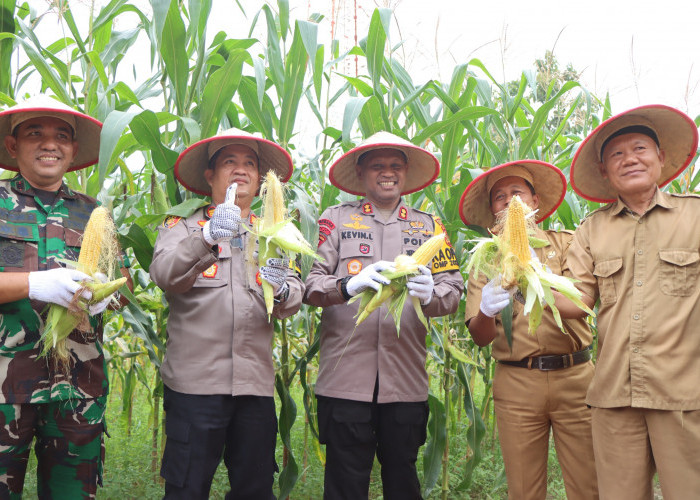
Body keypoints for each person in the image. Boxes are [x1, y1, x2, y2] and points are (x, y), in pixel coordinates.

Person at [304, 131, 463, 500]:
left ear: (405, 173)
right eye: (377, 166)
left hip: (404, 382)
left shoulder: (429, 227)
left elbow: (453, 292)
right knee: (345, 483)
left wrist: (431, 294)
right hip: (345, 380)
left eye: (395, 166)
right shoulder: (335, 220)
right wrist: (347, 285)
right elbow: (311, 285)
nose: (387, 173)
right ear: (361, 174)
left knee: (402, 480)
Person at [150, 128, 304, 499]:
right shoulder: (181, 226)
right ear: (210, 175)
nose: (241, 170)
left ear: (259, 176)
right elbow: (165, 274)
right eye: (229, 162)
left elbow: (295, 292)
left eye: (249, 163)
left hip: (254, 388)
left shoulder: (276, 234)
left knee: (254, 489)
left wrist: (283, 289)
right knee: (187, 488)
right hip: (194, 387)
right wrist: (206, 237)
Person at [564, 105, 700, 499]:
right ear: (605, 171)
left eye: (640, 148)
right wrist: (521, 287)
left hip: (684, 395)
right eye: (617, 155)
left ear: (660, 157)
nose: (630, 160)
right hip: (614, 397)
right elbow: (578, 302)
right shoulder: (592, 229)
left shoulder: (695, 215)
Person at [0, 95, 127, 498]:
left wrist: (108, 296)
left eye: (61, 136)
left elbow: (120, 280)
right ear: (12, 146)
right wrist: (36, 284)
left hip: (78, 389)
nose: (49, 143)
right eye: (35, 133)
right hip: (5, 390)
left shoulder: (93, 214)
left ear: (72, 151)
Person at [460, 160, 598, 500]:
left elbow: (583, 304)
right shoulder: (484, 260)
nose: (509, 202)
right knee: (523, 489)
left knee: (590, 483)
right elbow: (480, 336)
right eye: (500, 197)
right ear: (493, 210)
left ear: (535, 201)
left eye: (517, 193)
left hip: (577, 377)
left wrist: (535, 280)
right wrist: (487, 310)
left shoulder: (566, 244)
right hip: (517, 381)